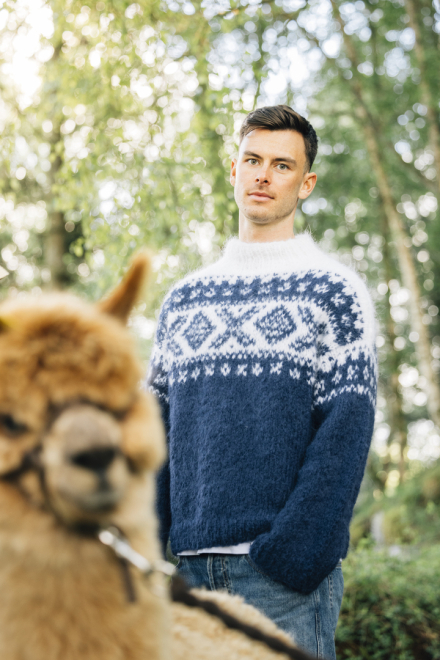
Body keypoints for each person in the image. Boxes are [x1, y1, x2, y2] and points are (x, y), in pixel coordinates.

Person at [147, 105, 377, 659]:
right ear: (234, 170)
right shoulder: (183, 301)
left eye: (282, 165)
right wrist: (148, 553)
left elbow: (345, 432)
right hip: (188, 579)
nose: (263, 175)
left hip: (280, 585)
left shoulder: (334, 292)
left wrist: (294, 556)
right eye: (252, 160)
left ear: (306, 184)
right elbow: (152, 433)